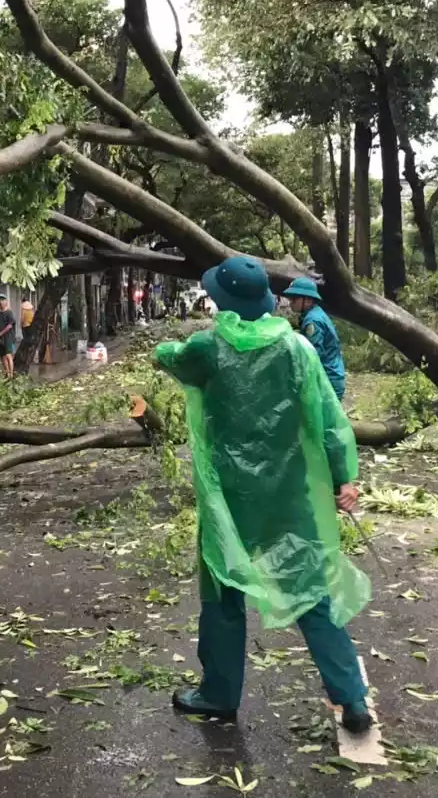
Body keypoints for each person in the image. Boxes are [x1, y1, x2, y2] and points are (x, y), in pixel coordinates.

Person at [154, 256, 373, 732]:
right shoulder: (297, 349)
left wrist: (175, 343)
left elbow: (167, 357)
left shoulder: (208, 347)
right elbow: (330, 419)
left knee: (223, 592)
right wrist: (345, 477)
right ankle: (351, 698)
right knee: (312, 591)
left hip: (229, 500)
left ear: (225, 301)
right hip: (291, 496)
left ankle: (219, 694)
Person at [284, 276, 346, 400]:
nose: (290, 302)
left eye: (294, 299)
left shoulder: (313, 321)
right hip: (330, 378)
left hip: (328, 381)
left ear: (307, 300)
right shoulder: (314, 314)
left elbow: (313, 355)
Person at [0, 294, 17, 379]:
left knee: (8, 355)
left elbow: (10, 326)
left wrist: (0, 334)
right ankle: (7, 373)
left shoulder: (9, 313)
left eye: (3, 300)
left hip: (8, 337)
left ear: (6, 302)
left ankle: (11, 374)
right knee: (2, 356)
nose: (1, 302)